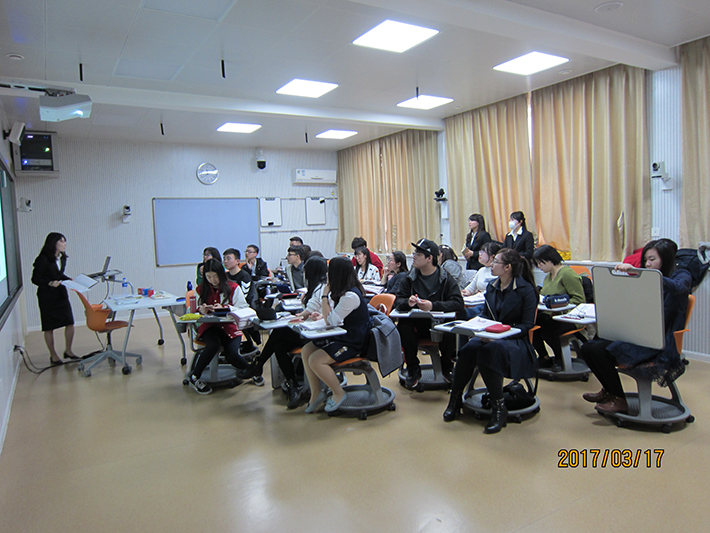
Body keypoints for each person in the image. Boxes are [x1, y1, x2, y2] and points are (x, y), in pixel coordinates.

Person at [580, 238, 692, 414]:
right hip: (639, 332)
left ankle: (619, 399)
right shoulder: (648, 276)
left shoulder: (681, 274)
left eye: (652, 259)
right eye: (646, 260)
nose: (648, 264)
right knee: (587, 347)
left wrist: (646, 276)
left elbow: (678, 287)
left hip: (658, 340)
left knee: (600, 351)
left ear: (665, 259)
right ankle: (609, 390)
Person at [443, 248, 538, 434]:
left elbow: (527, 325)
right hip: (490, 337)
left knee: (488, 352)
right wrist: (478, 328)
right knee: (468, 349)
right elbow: (486, 315)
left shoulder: (526, 290)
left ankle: (498, 408)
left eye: (496, 262)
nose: (492, 265)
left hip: (515, 341)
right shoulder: (492, 287)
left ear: (507, 267)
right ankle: (455, 400)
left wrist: (501, 334)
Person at [248, 256, 329, 408]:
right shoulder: (315, 287)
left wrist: (299, 317)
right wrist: (295, 317)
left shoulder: (322, 289)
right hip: (308, 330)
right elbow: (308, 310)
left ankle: (259, 364)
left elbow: (314, 313)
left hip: (317, 334)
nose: (304, 274)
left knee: (279, 333)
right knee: (278, 346)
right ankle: (293, 385)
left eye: (306, 271)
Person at [301, 256, 371, 413]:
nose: (327, 275)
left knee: (315, 360)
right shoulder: (343, 291)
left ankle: (339, 393)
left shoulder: (350, 296)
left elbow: (331, 321)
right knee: (307, 350)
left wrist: (325, 295)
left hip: (353, 342)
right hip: (342, 335)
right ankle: (316, 393)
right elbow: (332, 318)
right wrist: (323, 315)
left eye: (329, 271)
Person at [395, 239, 465, 390]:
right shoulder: (409, 278)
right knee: (403, 326)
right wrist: (408, 302)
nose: (413, 256)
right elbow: (397, 301)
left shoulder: (445, 278)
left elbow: (458, 303)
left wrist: (433, 306)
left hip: (439, 324)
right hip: (417, 326)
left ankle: (447, 365)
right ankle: (413, 368)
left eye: (418, 254)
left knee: (451, 327)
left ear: (429, 258)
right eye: (414, 253)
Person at [187, 259, 251, 395]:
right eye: (209, 277)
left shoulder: (233, 287)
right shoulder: (201, 289)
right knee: (213, 346)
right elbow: (191, 310)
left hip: (230, 327)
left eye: (215, 276)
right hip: (209, 327)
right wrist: (201, 309)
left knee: (232, 354)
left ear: (221, 274)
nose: (212, 280)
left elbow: (244, 308)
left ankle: (253, 371)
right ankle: (195, 377)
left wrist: (226, 307)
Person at [532, 245, 586, 371]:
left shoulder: (567, 274)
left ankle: (559, 358)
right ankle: (544, 357)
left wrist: (559, 304)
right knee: (531, 322)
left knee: (548, 330)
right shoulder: (549, 276)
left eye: (540, 263)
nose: (539, 266)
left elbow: (579, 300)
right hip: (553, 315)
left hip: (571, 317)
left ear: (550, 260)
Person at [31, 232, 78, 365]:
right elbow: (35, 279)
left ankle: (68, 351)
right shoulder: (43, 259)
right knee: (49, 327)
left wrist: (68, 279)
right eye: (61, 241)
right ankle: (53, 355)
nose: (64, 244)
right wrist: (49, 283)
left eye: (64, 241)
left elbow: (58, 274)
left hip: (60, 294)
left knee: (69, 322)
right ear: (53, 243)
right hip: (47, 296)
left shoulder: (62, 258)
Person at [223, 248, 261, 360]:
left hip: (244, 308)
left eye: (228, 259)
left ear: (237, 261)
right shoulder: (225, 277)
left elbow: (243, 298)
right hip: (229, 308)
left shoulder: (244, 276)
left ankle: (245, 345)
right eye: (224, 259)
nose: (225, 261)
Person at [461, 241, 502, 318]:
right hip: (477, 302)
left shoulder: (499, 271)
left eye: (484, 251)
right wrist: (465, 292)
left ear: (493, 257)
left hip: (489, 304)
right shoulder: (481, 270)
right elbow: (470, 288)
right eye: (480, 251)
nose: (480, 253)